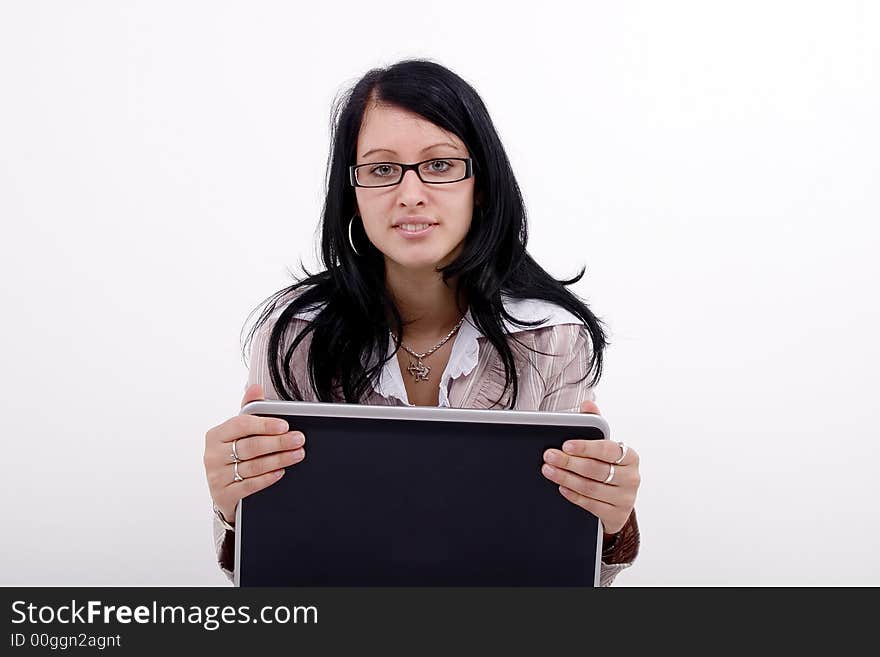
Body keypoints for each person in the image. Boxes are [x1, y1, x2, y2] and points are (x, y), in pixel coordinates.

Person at [203, 59, 641, 587]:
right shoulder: (294, 335)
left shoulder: (551, 337)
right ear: (354, 193)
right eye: (382, 169)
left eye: (439, 165)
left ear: (480, 183)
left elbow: (566, 580)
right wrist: (235, 511)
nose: (410, 194)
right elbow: (272, 580)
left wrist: (609, 522)